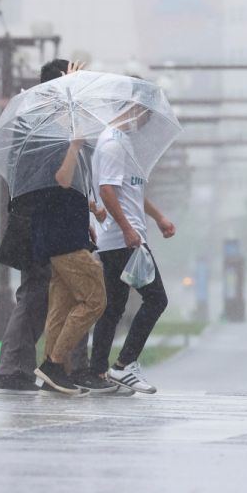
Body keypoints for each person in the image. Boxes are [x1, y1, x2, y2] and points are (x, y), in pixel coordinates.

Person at [0, 58, 104, 394]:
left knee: (57, 296)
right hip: (43, 223)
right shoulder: (39, 122)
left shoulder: (53, 122)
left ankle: (59, 367)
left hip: (57, 221)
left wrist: (87, 212)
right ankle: (29, 367)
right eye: (73, 85)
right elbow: (57, 177)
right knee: (44, 295)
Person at [88, 96, 176, 394]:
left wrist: (159, 217)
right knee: (156, 299)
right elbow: (106, 191)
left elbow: (131, 191)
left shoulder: (122, 143)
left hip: (120, 238)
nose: (144, 123)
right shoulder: (112, 142)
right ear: (133, 108)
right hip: (124, 239)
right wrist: (127, 228)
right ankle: (125, 365)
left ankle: (97, 372)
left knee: (113, 307)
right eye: (144, 115)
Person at [32, 115, 109, 396]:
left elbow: (67, 192)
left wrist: (89, 211)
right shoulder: (57, 144)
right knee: (95, 300)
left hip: (65, 235)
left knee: (61, 308)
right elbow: (62, 180)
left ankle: (52, 373)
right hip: (64, 241)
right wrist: (75, 146)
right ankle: (54, 363)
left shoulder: (59, 142)